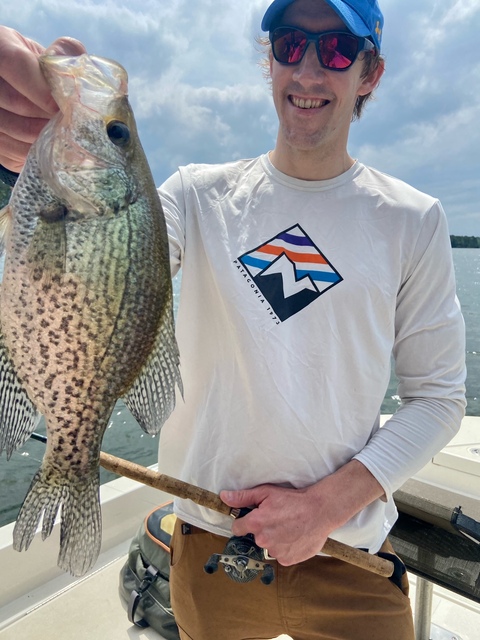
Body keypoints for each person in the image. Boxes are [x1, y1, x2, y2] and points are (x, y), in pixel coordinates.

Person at [0, 1, 466, 639]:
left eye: (334, 51)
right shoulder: (195, 195)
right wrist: (21, 162)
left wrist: (321, 508)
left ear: (370, 73)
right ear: (268, 57)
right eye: (289, 43)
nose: (306, 69)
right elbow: (96, 260)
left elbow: (438, 398)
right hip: (209, 549)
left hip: (350, 561)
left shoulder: (413, 219)